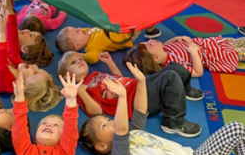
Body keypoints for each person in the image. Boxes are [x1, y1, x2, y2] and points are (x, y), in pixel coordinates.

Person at [79, 66, 245, 155]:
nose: (111, 121)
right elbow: (121, 131)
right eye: (104, 125)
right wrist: (122, 97)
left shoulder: (134, 133)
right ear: (101, 146)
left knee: (236, 128)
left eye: (108, 119)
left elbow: (140, 110)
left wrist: (142, 81)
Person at [58, 51, 203, 137]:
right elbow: (96, 112)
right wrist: (81, 91)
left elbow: (118, 77)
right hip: (139, 102)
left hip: (139, 84)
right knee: (170, 77)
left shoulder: (95, 74)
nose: (79, 62)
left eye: (80, 59)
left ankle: (185, 89)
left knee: (175, 67)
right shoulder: (80, 91)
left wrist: (109, 62)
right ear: (66, 75)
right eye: (73, 63)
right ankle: (173, 122)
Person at [8, 71, 80, 155]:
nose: (48, 125)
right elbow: (19, 128)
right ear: (35, 136)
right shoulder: (25, 150)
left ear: (62, 137)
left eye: (56, 125)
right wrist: (19, 97)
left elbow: (70, 131)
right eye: (44, 123)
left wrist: (71, 100)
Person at [124, 36, 245, 77]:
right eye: (150, 44)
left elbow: (166, 45)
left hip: (208, 45)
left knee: (234, 42)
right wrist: (194, 53)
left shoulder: (163, 51)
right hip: (214, 55)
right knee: (239, 52)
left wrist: (176, 39)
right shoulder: (174, 65)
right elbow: (198, 72)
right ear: (156, 58)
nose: (151, 39)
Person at [55, 25, 161, 64]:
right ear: (77, 45)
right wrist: (78, 55)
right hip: (125, 35)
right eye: (77, 31)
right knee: (143, 18)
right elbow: (92, 58)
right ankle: (151, 30)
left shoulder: (85, 33)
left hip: (117, 25)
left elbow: (78, 32)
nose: (79, 29)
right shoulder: (93, 48)